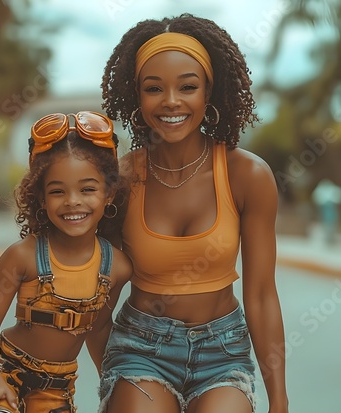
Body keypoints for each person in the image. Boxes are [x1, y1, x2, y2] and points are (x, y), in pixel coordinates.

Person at [94, 13, 288, 413]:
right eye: (154, 88)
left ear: (208, 92)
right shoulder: (123, 179)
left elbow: (262, 295)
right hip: (140, 350)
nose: (171, 101)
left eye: (187, 87)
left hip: (223, 353)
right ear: (137, 95)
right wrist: (116, 381)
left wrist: (279, 400)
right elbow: (100, 297)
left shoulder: (247, 176)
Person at [0, 111, 132, 413]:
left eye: (88, 189)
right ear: (41, 198)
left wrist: (113, 383)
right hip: (7, 371)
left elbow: (97, 329)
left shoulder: (117, 267)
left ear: (109, 194)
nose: (72, 201)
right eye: (57, 191)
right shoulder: (22, 256)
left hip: (57, 389)